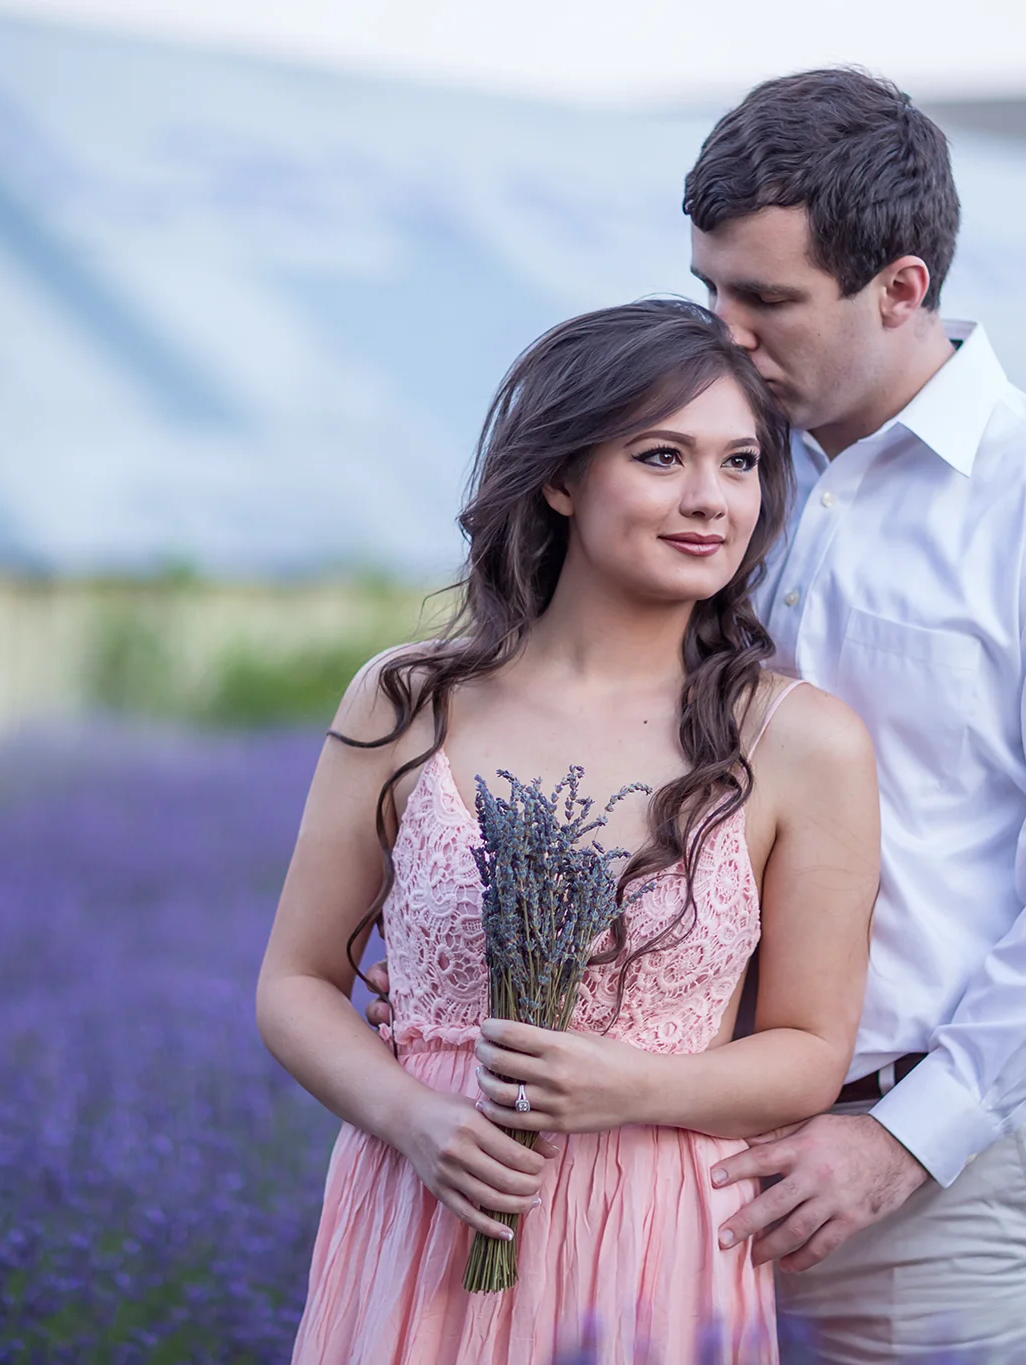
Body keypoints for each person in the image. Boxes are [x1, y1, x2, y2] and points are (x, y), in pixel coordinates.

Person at [256, 298, 882, 1364]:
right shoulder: (408, 701)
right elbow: (295, 982)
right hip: (422, 1206)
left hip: (653, 1239)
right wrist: (413, 1118)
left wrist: (631, 1085)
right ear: (560, 477)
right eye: (661, 456)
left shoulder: (801, 742)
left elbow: (809, 1051)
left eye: (739, 463)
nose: (709, 499)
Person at [679, 69, 1026, 1362]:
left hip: (936, 1186)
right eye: (708, 292)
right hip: (671, 1145)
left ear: (900, 287)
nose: (725, 337)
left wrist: (902, 1141)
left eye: (766, 300)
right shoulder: (708, 472)